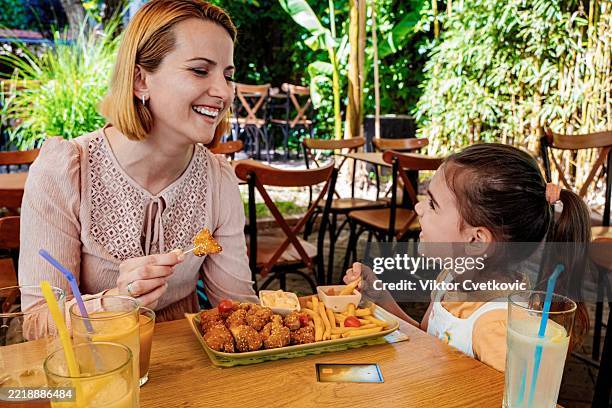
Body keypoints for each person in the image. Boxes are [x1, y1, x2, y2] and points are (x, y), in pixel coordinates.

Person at [19, 0, 258, 325]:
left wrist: (334, 313)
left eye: (228, 75)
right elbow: (37, 321)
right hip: (94, 367)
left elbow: (239, 311)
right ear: (140, 81)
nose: (223, 92)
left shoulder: (219, 180)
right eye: (200, 70)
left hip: (188, 365)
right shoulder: (64, 171)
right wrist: (116, 302)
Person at [344, 143, 590, 371]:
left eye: (432, 204)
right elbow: (427, 339)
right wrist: (380, 298)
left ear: (475, 241)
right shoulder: (450, 278)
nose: (418, 208)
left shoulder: (496, 327)